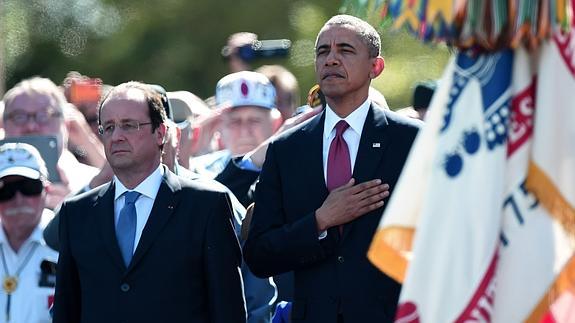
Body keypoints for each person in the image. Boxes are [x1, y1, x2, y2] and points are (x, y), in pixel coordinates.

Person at [244, 14, 421, 323]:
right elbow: (260, 255)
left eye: (346, 50)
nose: (331, 59)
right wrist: (320, 220)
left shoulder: (410, 141)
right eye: (323, 51)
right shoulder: (286, 150)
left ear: (375, 67)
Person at [52, 82, 246, 323]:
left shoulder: (206, 205)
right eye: (108, 127)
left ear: (161, 133)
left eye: (129, 125)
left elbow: (228, 310)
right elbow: (65, 311)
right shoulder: (77, 213)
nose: (117, 136)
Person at [2, 77, 100, 209]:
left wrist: (74, 208)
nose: (31, 126)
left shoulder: (93, 183)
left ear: (66, 125)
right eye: (19, 117)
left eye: (44, 116)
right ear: (3, 125)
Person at [189, 71, 280, 205]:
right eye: (235, 121)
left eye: (254, 120)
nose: (244, 131)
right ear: (219, 125)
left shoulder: (288, 168)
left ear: (275, 123)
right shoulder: (199, 170)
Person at [0, 143, 58, 323]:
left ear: (46, 190)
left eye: (29, 187)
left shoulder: (69, 240)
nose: (18, 199)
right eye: (6, 190)